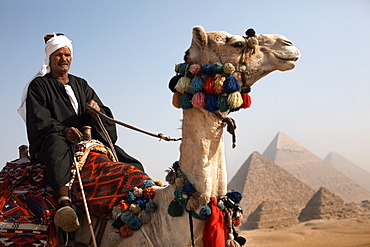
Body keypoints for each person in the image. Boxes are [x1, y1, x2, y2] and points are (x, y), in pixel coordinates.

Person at [18, 33, 143, 232]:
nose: (63, 59)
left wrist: (97, 113)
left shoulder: (81, 85)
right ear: (50, 59)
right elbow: (39, 120)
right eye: (58, 55)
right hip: (52, 140)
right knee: (56, 144)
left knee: (125, 159)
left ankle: (138, 197)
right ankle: (65, 203)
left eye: (67, 54)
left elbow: (102, 116)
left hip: (85, 141)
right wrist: (63, 131)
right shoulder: (39, 86)